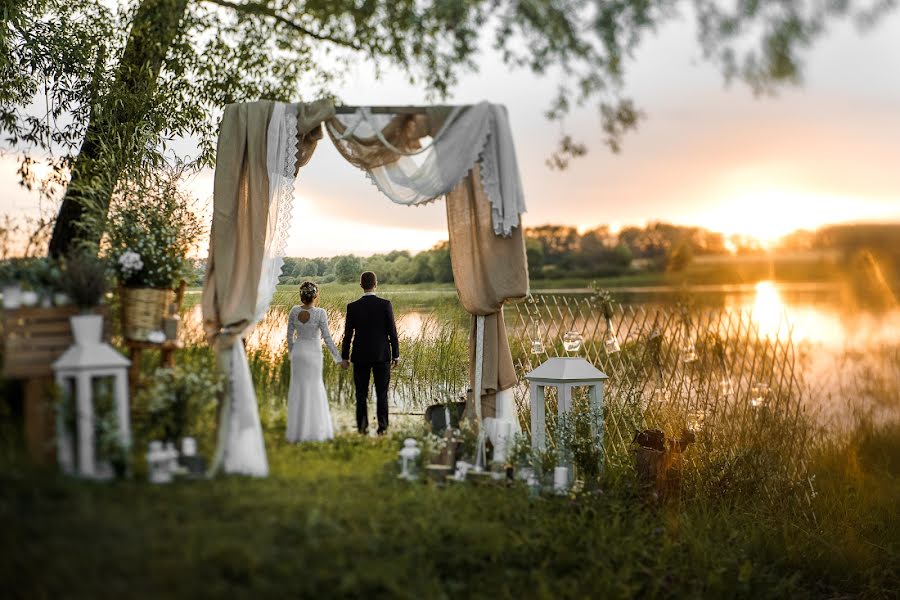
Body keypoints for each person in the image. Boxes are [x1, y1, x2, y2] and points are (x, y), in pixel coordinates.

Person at [340, 271, 400, 435]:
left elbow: (348, 335)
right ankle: (382, 428)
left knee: (361, 394)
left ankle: (362, 428)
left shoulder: (352, 307)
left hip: (360, 356)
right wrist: (396, 354)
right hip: (382, 355)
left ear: (361, 285)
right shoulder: (385, 304)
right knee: (382, 394)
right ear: (376, 284)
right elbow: (392, 332)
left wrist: (344, 356)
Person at [285, 281, 341, 442]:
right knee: (315, 387)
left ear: (301, 295)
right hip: (314, 353)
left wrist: (292, 353)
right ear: (315, 295)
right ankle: (315, 431)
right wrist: (338, 358)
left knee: (298, 389)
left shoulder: (294, 311)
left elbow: (289, 336)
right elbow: (327, 338)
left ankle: (298, 432)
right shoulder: (321, 313)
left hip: (299, 353)